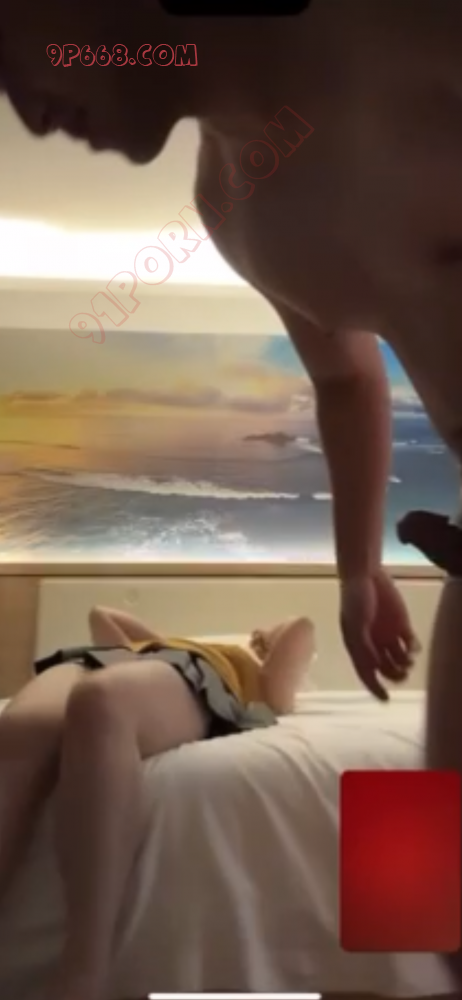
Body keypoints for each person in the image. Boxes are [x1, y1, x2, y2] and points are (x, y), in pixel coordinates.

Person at [1, 0, 462, 985]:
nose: (23, 110)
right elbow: (344, 377)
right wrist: (356, 572)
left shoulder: (407, 32)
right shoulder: (234, 200)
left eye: (10, 48)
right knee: (443, 928)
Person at [0, 607, 314, 1000]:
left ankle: (84, 970)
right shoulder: (159, 646)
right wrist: (157, 640)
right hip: (108, 661)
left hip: (184, 675)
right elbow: (101, 616)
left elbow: (301, 631)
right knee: (18, 730)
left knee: (100, 702)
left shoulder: (250, 668)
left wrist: (267, 638)